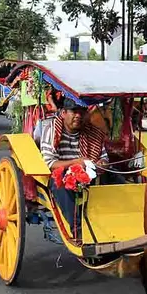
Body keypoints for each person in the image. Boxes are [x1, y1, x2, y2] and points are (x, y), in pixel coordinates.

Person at [40, 99, 108, 238]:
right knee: (59, 184)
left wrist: (102, 163)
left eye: (82, 112)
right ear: (64, 113)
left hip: (92, 172)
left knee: (117, 179)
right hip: (62, 173)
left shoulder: (93, 132)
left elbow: (104, 157)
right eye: (74, 111)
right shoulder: (51, 130)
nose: (78, 115)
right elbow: (50, 163)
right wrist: (76, 162)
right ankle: (78, 231)